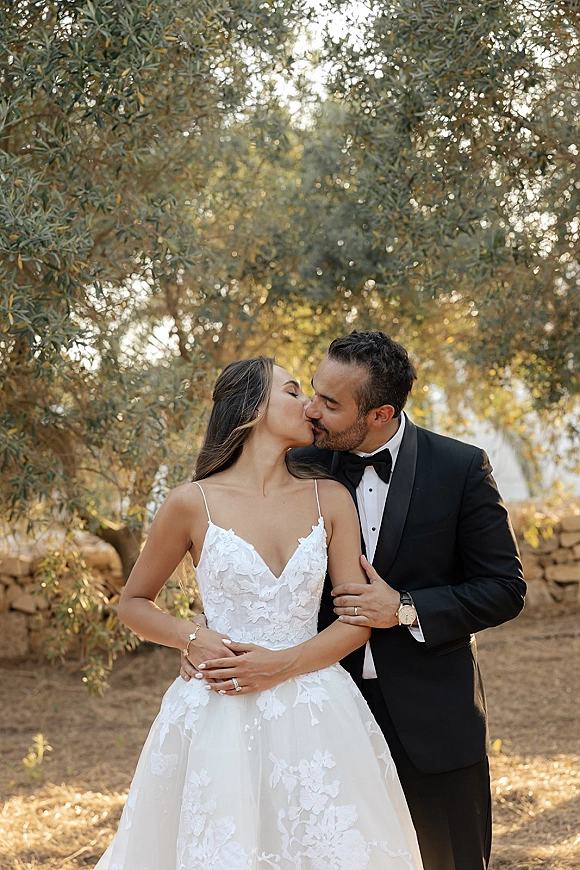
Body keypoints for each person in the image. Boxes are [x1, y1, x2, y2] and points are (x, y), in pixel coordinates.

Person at [182, 332, 526, 870]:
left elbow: (506, 588)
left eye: (331, 403)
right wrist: (207, 629)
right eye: (312, 392)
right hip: (316, 716)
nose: (313, 410)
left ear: (380, 413)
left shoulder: (459, 468)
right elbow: (251, 557)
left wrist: (404, 608)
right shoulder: (301, 464)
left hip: (433, 723)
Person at [94, 357, 423, 870]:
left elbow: (356, 620)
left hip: (318, 710)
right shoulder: (190, 502)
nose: (309, 406)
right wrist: (191, 638)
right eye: (293, 392)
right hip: (217, 709)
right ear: (251, 408)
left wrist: (282, 663)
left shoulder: (330, 497)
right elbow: (133, 603)